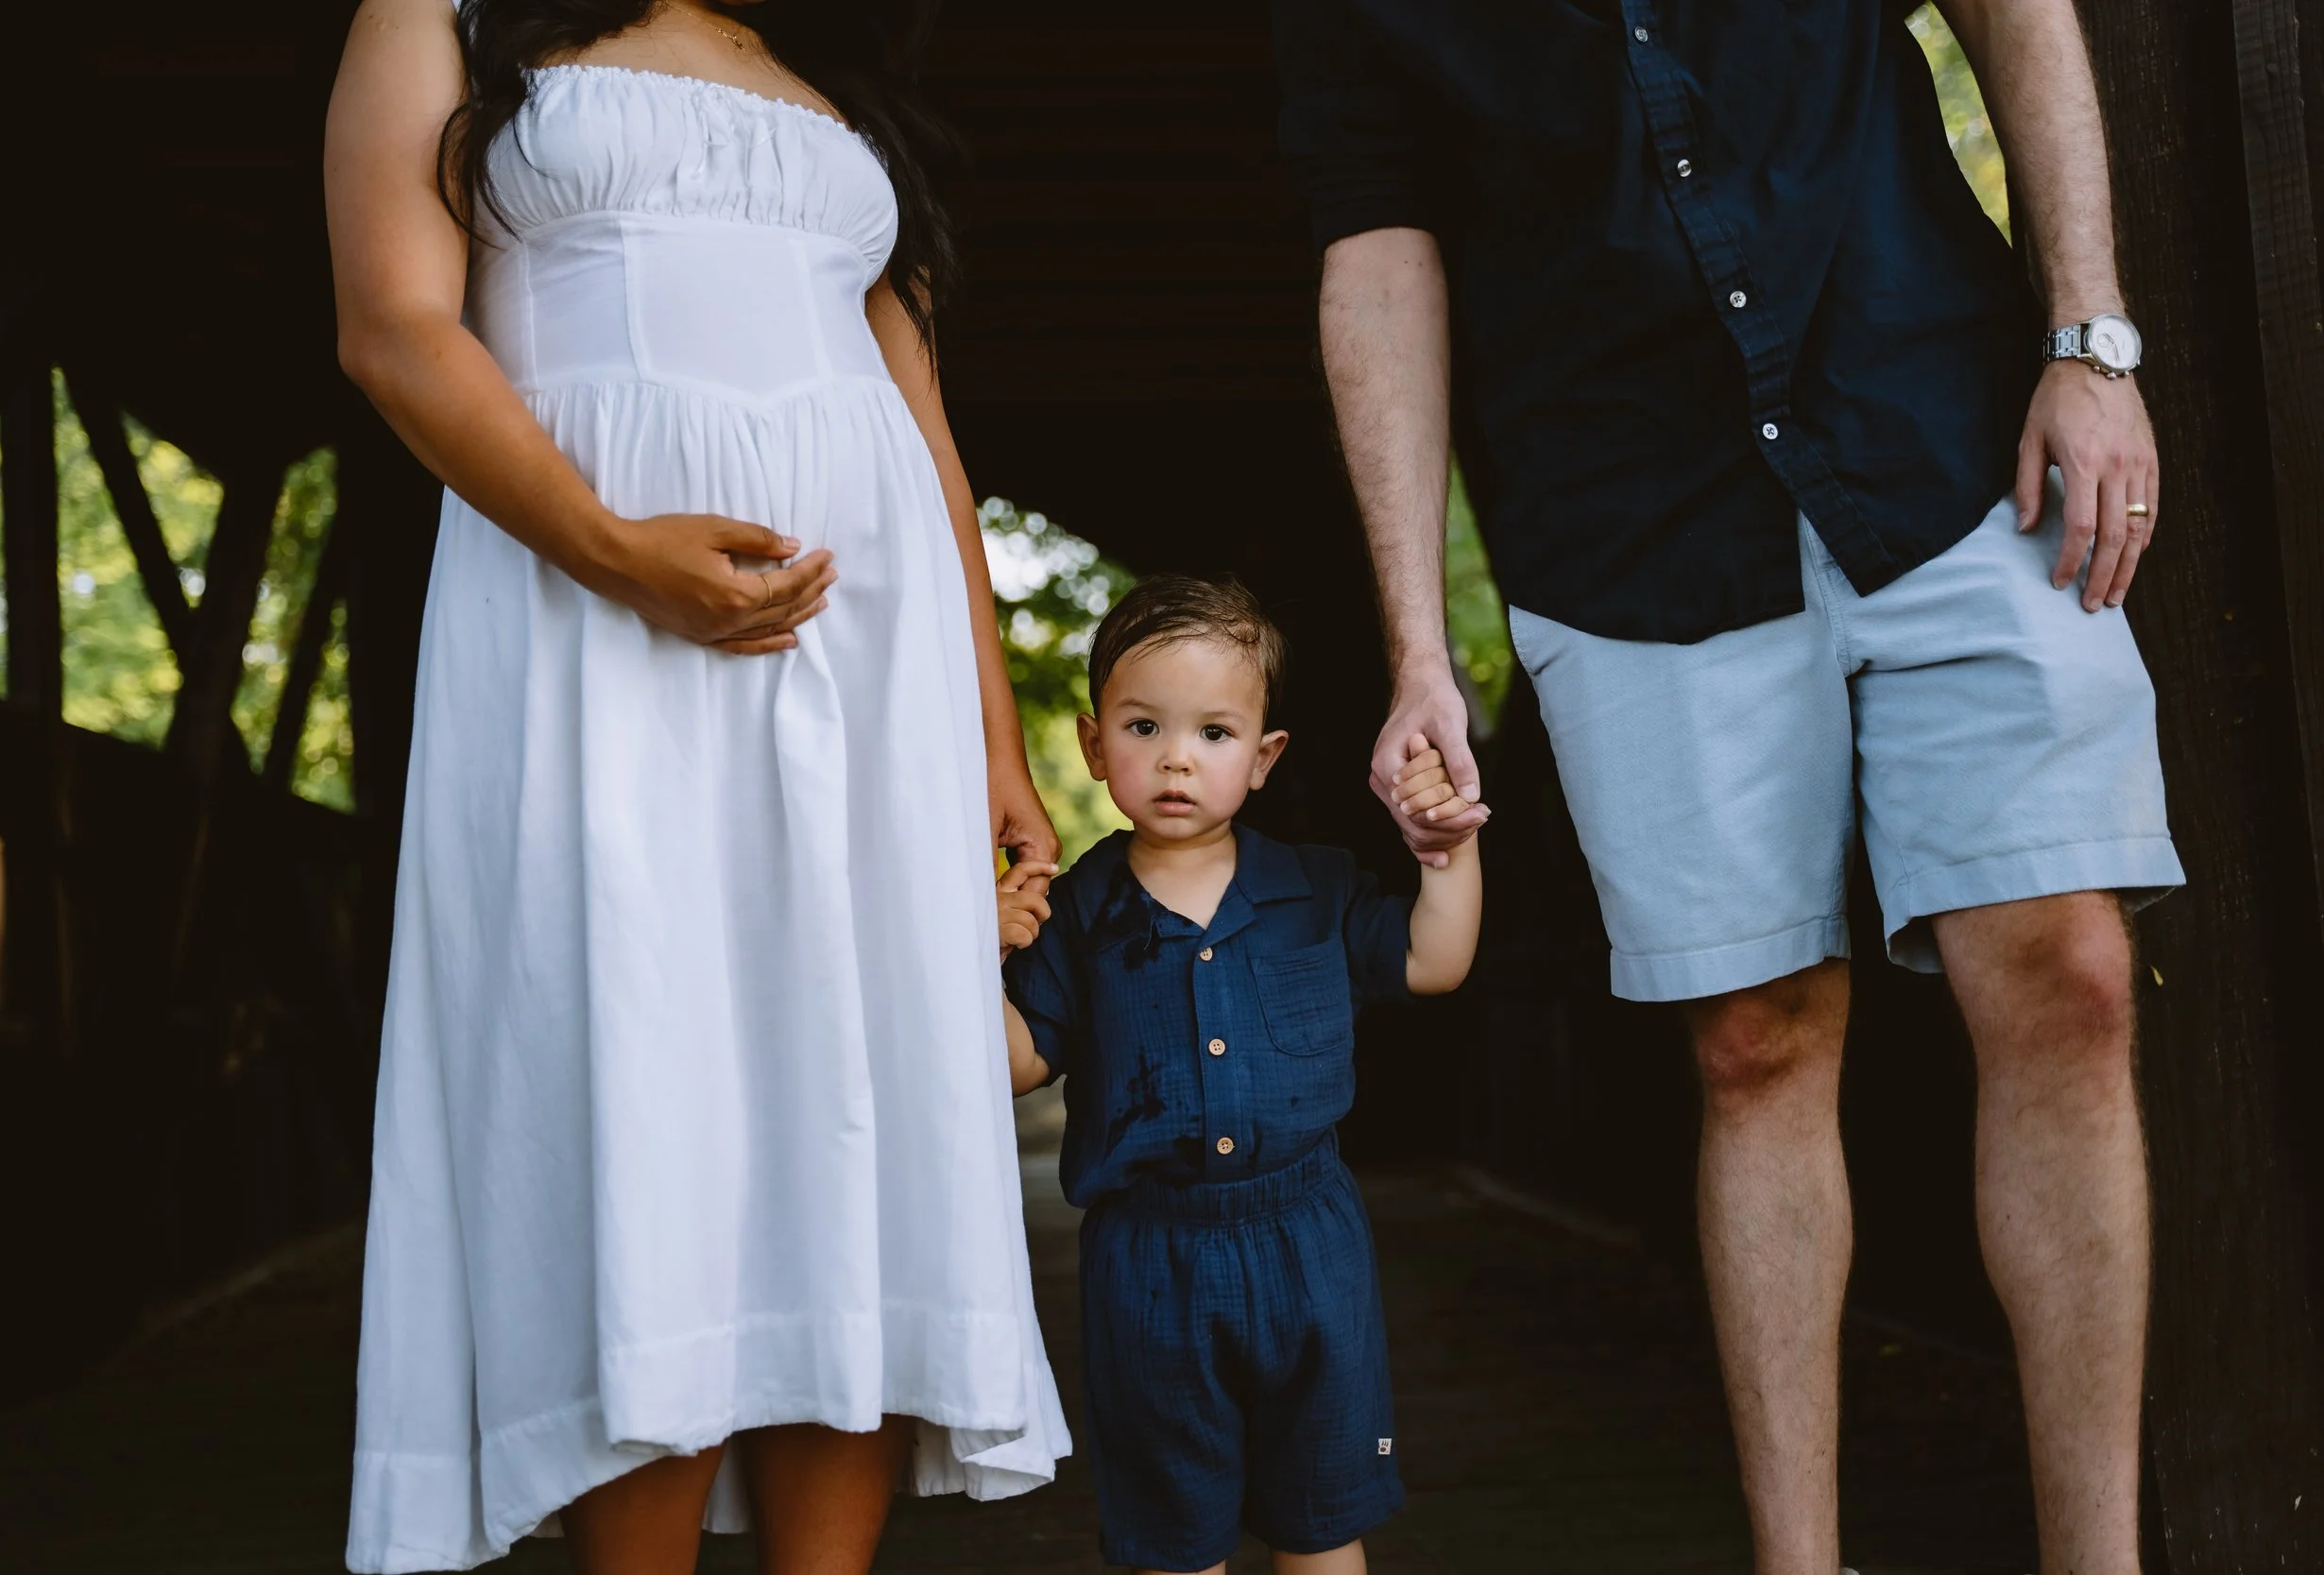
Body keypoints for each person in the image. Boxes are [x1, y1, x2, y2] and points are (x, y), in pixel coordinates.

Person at [1272, 3, 2177, 1573]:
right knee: (1757, 1039)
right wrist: (1418, 643)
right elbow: (1377, 258)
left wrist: (2088, 339)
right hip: (1625, 510)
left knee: (2073, 974)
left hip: (1948, 435)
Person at [325, 0, 1068, 1568]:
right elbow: (396, 324)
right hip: (587, 630)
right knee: (640, 1098)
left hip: (871, 670)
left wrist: (992, 742)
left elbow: (924, 439)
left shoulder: (841, 65)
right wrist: (616, 552)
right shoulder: (443, 14)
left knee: (847, 1118)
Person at [994, 575, 1483, 1575]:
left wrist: (1445, 856)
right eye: (1143, 725)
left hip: (1310, 1242)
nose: (1177, 755)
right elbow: (1016, 1059)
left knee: (1322, 1516)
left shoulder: (1318, 886)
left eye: (1214, 733)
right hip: (1149, 1259)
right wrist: (967, 953)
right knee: (1175, 1533)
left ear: (1263, 759)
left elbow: (1434, 964)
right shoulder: (1083, 910)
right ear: (1094, 745)